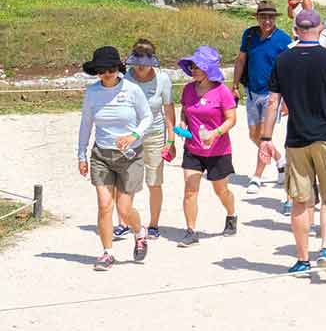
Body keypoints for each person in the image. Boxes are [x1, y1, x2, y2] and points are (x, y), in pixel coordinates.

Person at [258, 9, 326, 279]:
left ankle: (302, 259)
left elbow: (273, 102)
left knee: (301, 201)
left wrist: (266, 138)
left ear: (295, 28)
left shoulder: (283, 60)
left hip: (296, 139)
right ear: (319, 30)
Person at [78, 46, 152, 270]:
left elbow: (147, 117)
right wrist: (81, 155)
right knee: (104, 205)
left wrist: (133, 136)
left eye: (110, 69)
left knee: (124, 210)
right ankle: (107, 253)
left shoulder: (132, 90)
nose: (106, 74)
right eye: (101, 71)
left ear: (117, 69)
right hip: (101, 154)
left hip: (130, 155)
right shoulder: (92, 93)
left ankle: (139, 233)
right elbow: (86, 125)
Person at [175, 46, 238, 246]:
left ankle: (231, 214)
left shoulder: (222, 91)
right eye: (192, 66)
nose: (193, 70)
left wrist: (215, 133)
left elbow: (231, 119)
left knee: (221, 190)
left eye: (198, 66)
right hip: (192, 148)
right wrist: (183, 122)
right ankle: (191, 231)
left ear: (209, 69)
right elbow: (185, 111)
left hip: (218, 150)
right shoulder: (187, 89)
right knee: (190, 190)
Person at [234, 1, 292, 194]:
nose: (267, 20)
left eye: (270, 17)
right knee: (254, 135)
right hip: (251, 91)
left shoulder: (284, 40)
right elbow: (241, 59)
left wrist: (287, 100)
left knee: (265, 136)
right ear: (257, 17)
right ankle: (280, 160)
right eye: (263, 17)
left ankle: (257, 177)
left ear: (275, 18)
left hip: (272, 95)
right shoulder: (249, 35)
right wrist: (234, 85)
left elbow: (289, 71)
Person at [120, 40, 175, 240]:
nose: (141, 66)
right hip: (131, 136)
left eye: (146, 59)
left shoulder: (163, 79)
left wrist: (170, 141)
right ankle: (124, 222)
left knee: (154, 181)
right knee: (127, 181)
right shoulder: (126, 79)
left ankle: (153, 224)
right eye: (138, 59)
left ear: (153, 60)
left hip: (155, 134)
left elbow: (168, 110)